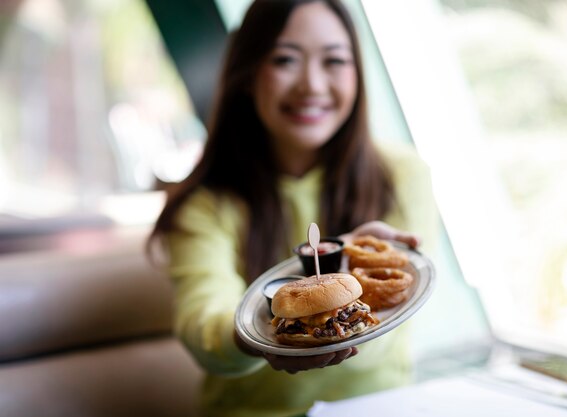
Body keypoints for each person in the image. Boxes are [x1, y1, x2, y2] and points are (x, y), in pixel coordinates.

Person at [149, 0, 439, 416]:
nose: (312, 85)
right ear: (248, 75)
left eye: (334, 61)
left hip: (381, 405)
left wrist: (353, 267)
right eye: (286, 59)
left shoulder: (403, 175)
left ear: (357, 75)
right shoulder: (203, 204)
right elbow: (204, 329)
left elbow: (383, 342)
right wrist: (254, 338)